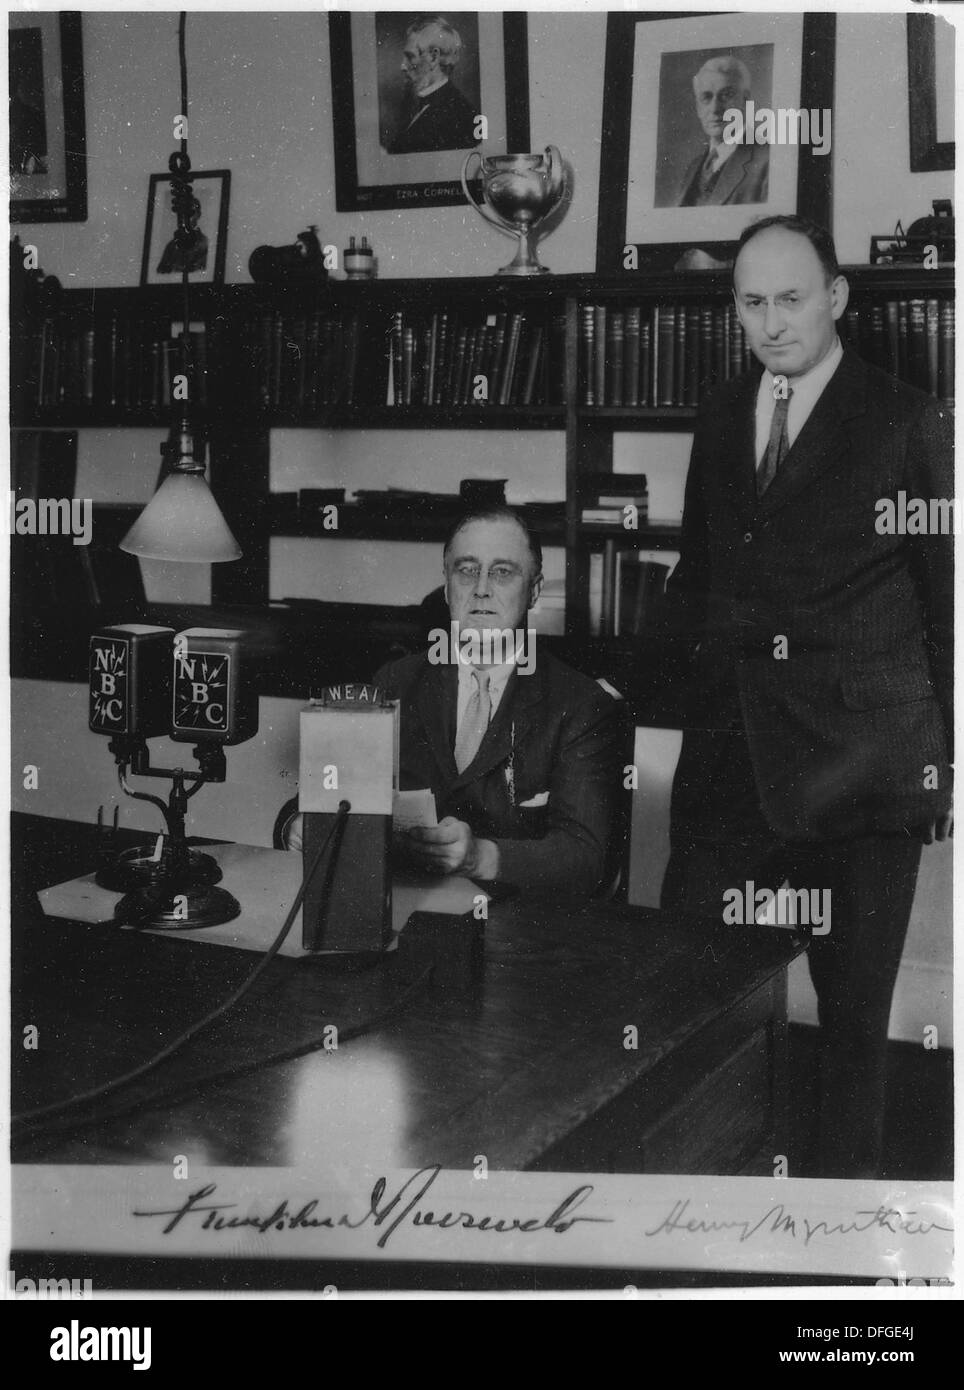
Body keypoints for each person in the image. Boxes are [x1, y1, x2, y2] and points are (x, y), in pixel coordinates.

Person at [659, 214, 952, 1178]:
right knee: (697, 1000)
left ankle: (844, 1250)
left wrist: (942, 764)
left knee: (854, 1023)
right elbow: (699, 572)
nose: (773, 322)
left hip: (861, 769)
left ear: (838, 297)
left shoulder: (910, 419)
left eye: (792, 298)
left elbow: (948, 605)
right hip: (731, 763)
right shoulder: (719, 411)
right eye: (752, 302)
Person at [285, 506, 624, 895]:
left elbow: (587, 859)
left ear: (533, 591)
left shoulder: (580, 703)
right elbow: (315, 801)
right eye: (466, 570)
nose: (481, 588)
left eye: (502, 571)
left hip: (522, 929)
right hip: (404, 913)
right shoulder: (396, 681)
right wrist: (299, 827)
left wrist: (480, 857)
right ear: (447, 589)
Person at [673, 55, 768, 207]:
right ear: (698, 108)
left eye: (726, 95)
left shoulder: (767, 161)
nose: (715, 109)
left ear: (745, 102)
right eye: (706, 97)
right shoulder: (693, 168)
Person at [389, 15, 478, 155]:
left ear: (433, 57)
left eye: (410, 56)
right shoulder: (413, 103)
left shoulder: (459, 114)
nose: (402, 66)